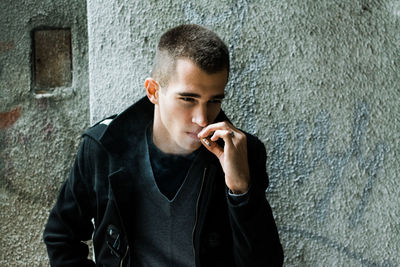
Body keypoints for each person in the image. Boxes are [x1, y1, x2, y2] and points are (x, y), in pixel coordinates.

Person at [43, 24, 284, 266]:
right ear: (153, 91)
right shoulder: (104, 148)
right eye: (188, 99)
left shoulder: (242, 153)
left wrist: (241, 191)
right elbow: (61, 236)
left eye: (214, 100)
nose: (202, 119)